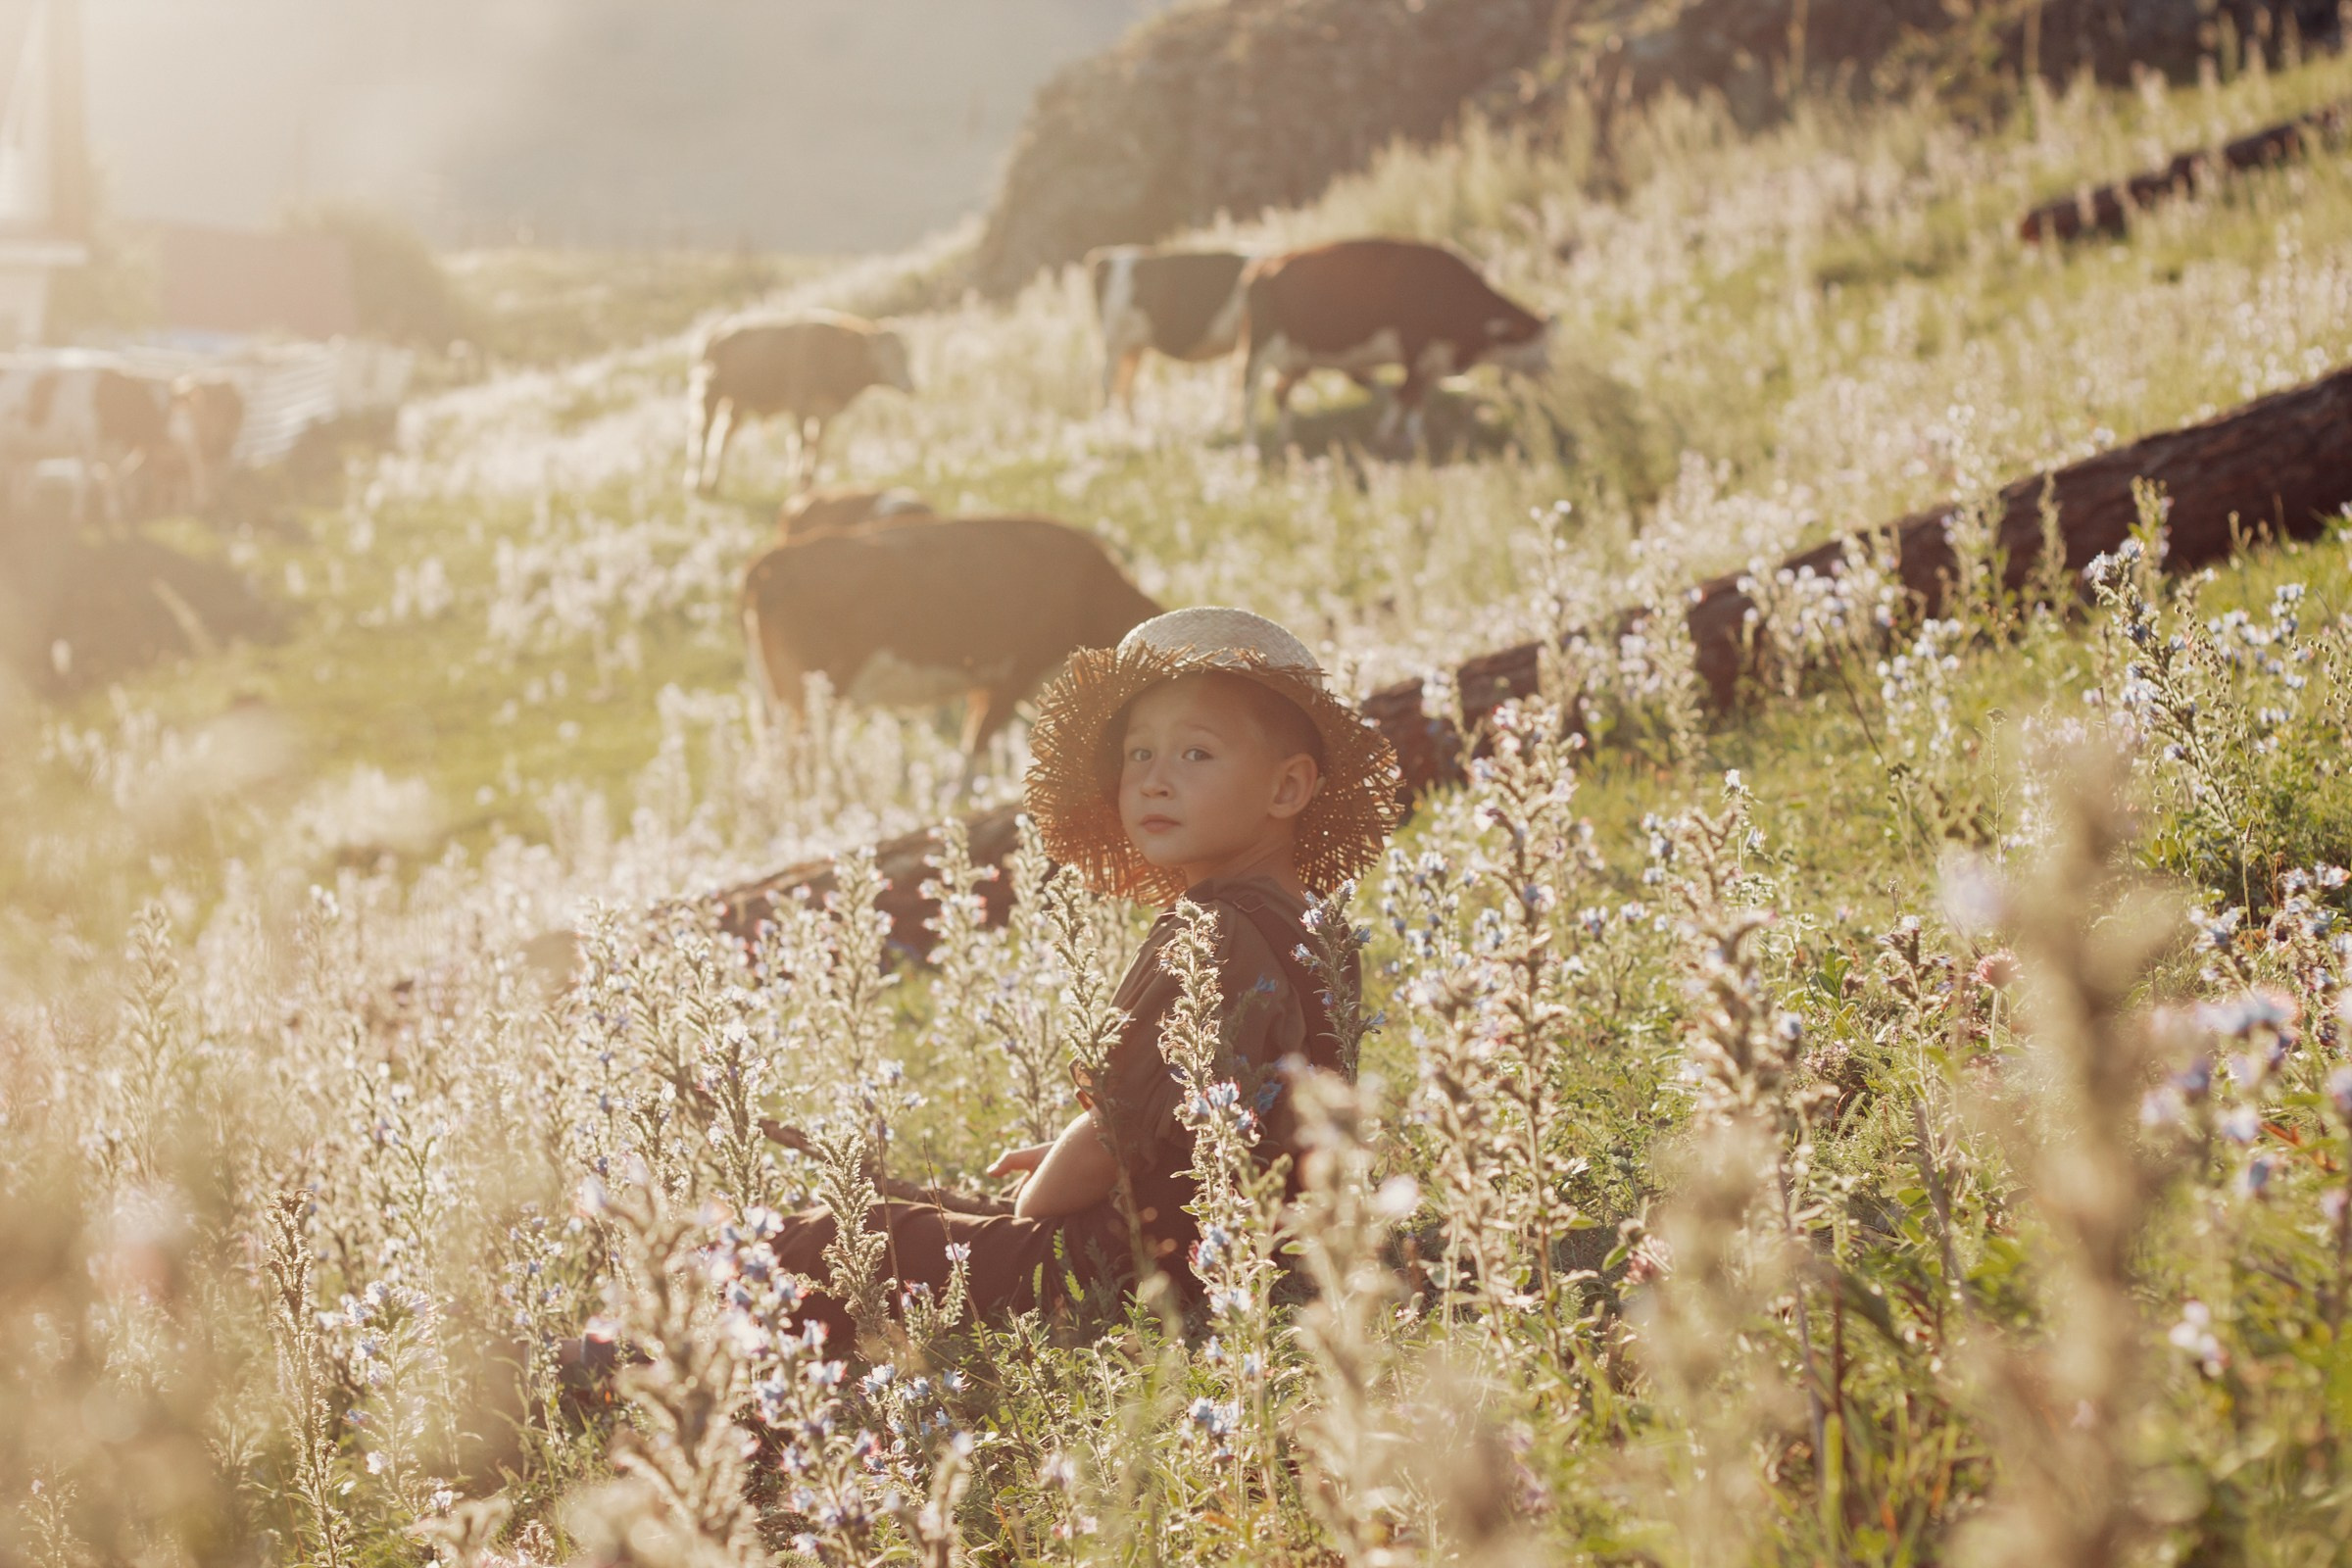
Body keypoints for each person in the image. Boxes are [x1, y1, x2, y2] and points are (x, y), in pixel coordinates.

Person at [765, 606, 1401, 1349]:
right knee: (913, 1207)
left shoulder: (1206, 931)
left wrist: (1039, 1199)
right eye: (1139, 755)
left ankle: (635, 1358)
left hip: (1130, 1275)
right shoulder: (1318, 929)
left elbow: (1108, 1136)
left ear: (1288, 789)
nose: (1156, 781)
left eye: (1196, 755)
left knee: (840, 1234)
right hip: (1263, 1245)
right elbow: (1206, 1114)